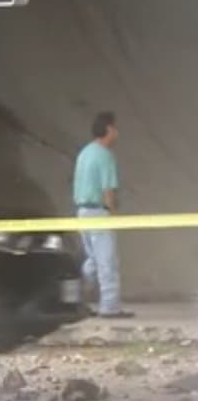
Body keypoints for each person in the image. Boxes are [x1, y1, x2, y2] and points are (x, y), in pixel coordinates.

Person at [72, 110, 131, 318]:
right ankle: (110, 307)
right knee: (107, 261)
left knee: (92, 261)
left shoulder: (85, 152)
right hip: (98, 213)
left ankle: (76, 299)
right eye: (115, 128)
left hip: (82, 212)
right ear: (108, 129)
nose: (117, 132)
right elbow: (108, 192)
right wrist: (114, 214)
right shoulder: (105, 155)